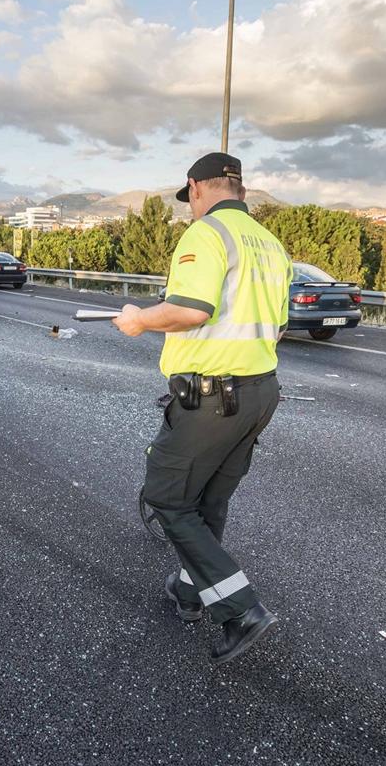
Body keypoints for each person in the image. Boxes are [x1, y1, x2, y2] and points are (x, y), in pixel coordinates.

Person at [112, 152, 292, 666]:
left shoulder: (207, 234)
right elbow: (277, 325)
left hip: (212, 396)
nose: (190, 207)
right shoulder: (271, 245)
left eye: (189, 198)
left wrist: (139, 320)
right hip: (259, 390)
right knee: (209, 498)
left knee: (167, 497)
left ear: (196, 188)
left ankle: (240, 608)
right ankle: (193, 590)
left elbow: (191, 310)